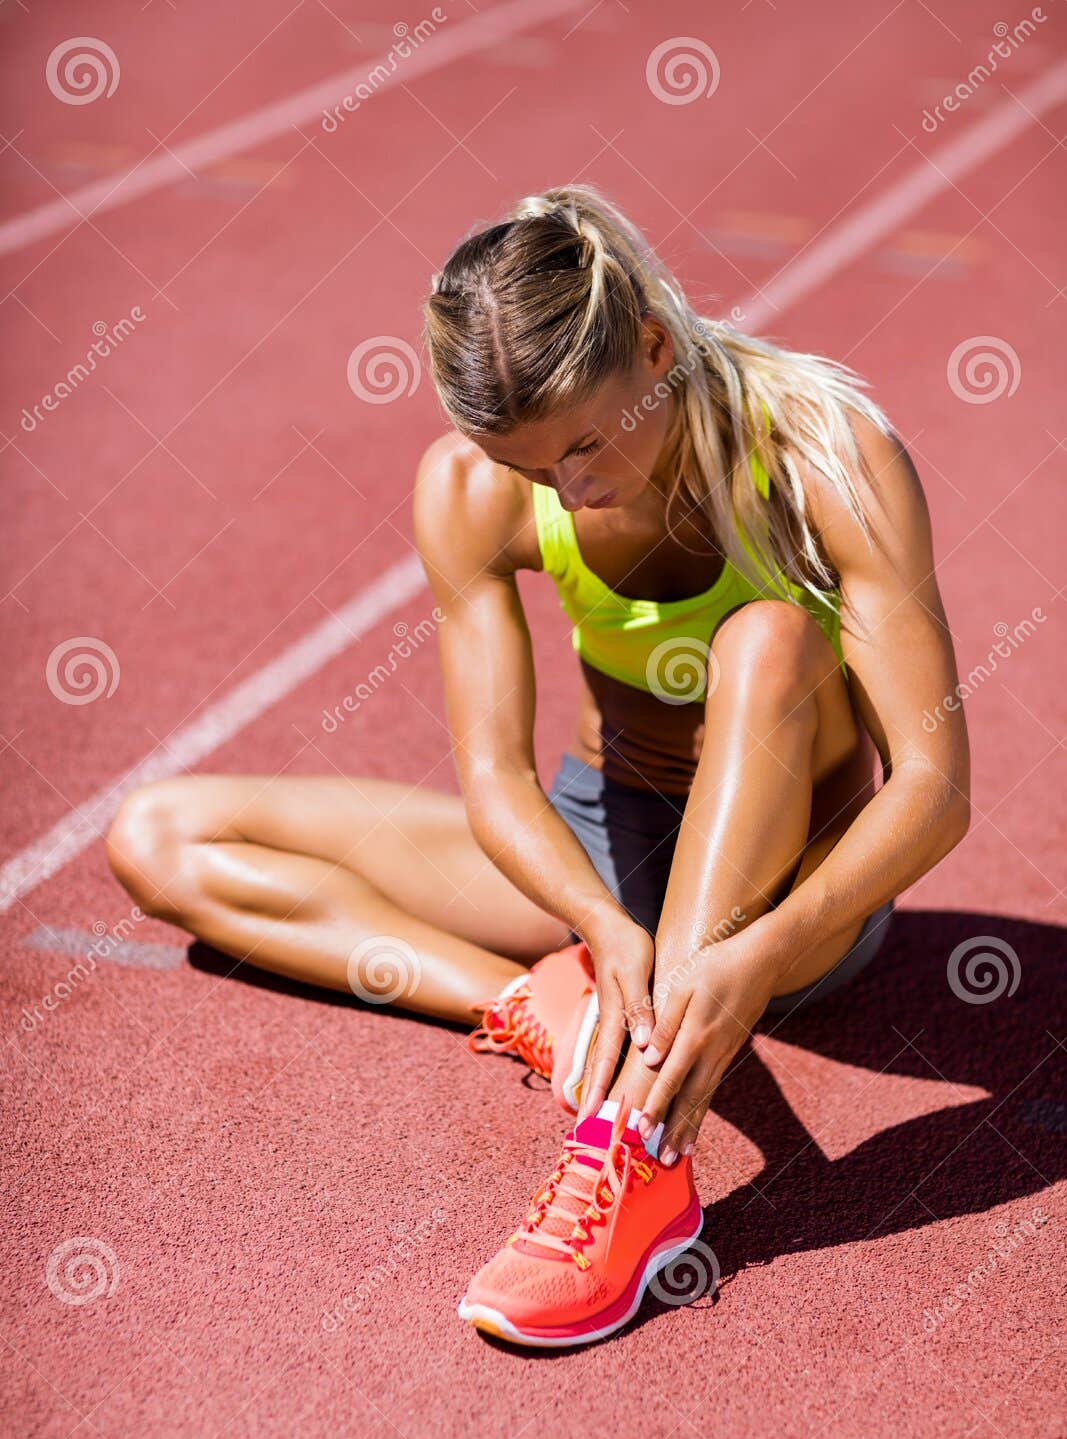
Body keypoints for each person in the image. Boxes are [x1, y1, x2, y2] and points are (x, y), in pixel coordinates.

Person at [107, 185, 970, 1348]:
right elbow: (498, 784)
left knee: (765, 640)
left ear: (652, 351)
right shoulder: (472, 488)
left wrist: (756, 953)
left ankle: (635, 1150)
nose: (569, 490)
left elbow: (931, 787)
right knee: (159, 837)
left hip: (788, 899)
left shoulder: (823, 455)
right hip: (605, 844)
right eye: (525, 465)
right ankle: (544, 1010)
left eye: (584, 445)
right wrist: (599, 925)